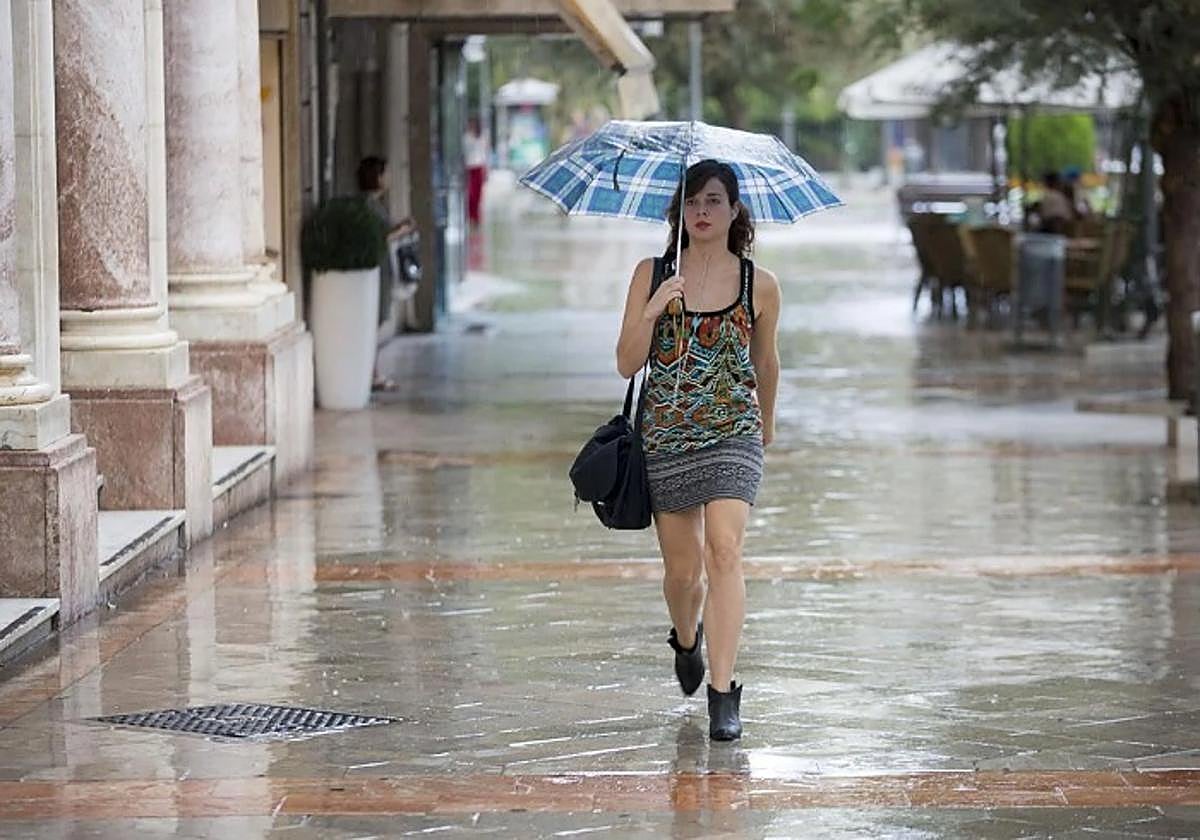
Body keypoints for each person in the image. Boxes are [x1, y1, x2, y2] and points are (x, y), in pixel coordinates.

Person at [615, 159, 781, 741]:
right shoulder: (652, 271)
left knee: (725, 551)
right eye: (691, 202)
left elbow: (765, 360)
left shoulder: (759, 283)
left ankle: (723, 691)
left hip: (733, 431)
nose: (702, 212)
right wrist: (657, 304)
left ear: (735, 210)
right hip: (667, 436)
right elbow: (626, 361)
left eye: (713, 200)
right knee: (684, 575)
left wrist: (768, 423)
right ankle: (686, 638)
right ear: (678, 212)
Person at [357, 156, 415, 391]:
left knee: (376, 319)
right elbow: (377, 236)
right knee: (373, 319)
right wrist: (401, 230)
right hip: (376, 269)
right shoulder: (368, 206)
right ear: (377, 177)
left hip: (381, 268)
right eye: (385, 174)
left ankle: (373, 372)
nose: (389, 178)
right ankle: (371, 373)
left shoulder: (375, 205)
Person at [463, 118, 488, 226]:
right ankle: (471, 216)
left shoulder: (481, 137)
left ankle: (476, 217)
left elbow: (484, 154)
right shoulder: (466, 138)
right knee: (471, 194)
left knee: (478, 194)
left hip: (479, 167)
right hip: (469, 167)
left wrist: (486, 170)